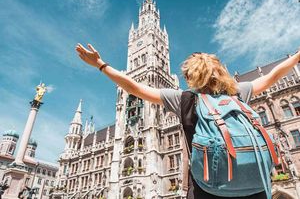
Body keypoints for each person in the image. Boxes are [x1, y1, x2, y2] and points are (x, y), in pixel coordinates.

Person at [75, 43, 300, 199]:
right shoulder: (239, 93)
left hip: (209, 188)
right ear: (221, 73)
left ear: (190, 77)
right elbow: (274, 76)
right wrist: (297, 57)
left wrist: (101, 65)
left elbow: (134, 87)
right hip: (255, 186)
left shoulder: (184, 99)